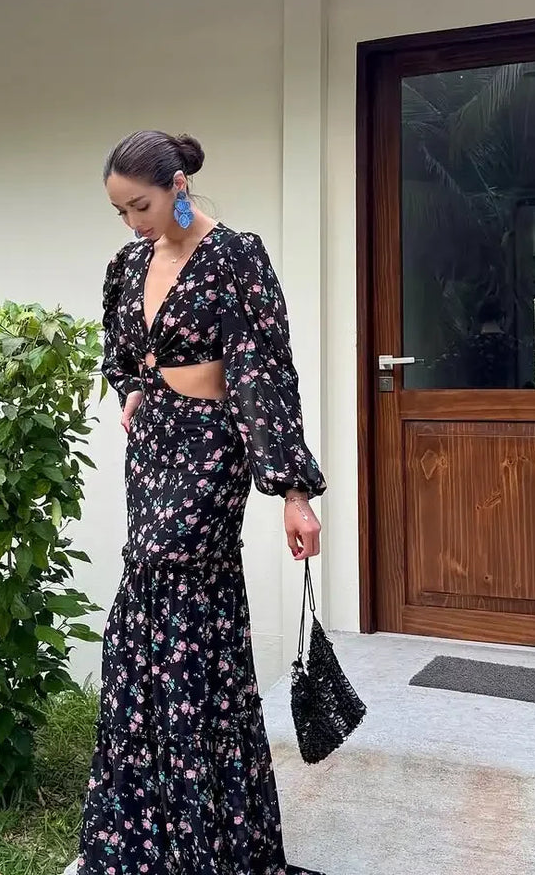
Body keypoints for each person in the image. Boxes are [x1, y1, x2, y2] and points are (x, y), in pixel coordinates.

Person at [76, 130, 327, 874]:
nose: (133, 223)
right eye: (120, 211)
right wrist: (129, 396)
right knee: (154, 622)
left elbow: (265, 373)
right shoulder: (129, 263)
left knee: (173, 602)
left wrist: (293, 491)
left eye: (141, 205)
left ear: (177, 183)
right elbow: (116, 349)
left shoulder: (235, 256)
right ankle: (155, 831)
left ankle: (204, 837)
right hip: (152, 451)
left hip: (211, 454)